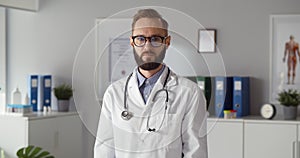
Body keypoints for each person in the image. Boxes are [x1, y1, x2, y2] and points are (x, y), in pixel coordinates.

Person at [94, 8, 208, 158]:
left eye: (155, 39)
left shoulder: (189, 93)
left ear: (167, 42)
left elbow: (195, 152)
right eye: (141, 39)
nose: (147, 47)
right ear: (132, 42)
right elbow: (104, 151)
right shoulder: (114, 93)